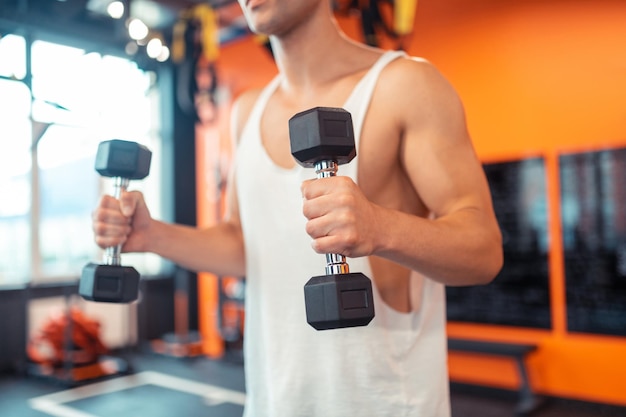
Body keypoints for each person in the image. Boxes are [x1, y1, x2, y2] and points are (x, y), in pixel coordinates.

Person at [92, 0, 503, 415]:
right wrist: (153, 235)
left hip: (384, 402)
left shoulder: (405, 85)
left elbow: (483, 251)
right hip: (275, 401)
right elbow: (242, 245)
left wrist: (380, 227)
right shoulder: (245, 111)